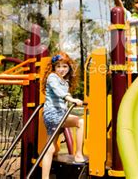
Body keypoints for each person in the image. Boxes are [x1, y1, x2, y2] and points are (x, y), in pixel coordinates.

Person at [41, 51, 85, 179]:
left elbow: (62, 92)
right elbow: (58, 92)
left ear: (69, 68)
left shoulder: (64, 82)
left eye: (65, 66)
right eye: (58, 66)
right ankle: (78, 154)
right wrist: (72, 99)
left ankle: (45, 177)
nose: (61, 69)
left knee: (51, 148)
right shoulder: (52, 77)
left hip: (56, 114)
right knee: (80, 122)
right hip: (53, 114)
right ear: (54, 68)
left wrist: (69, 99)